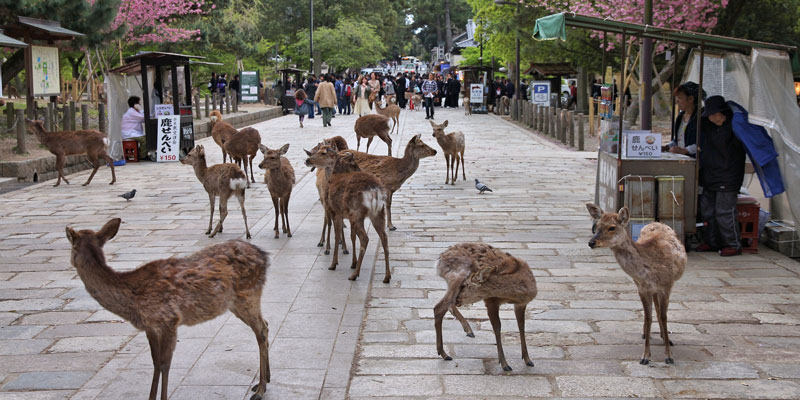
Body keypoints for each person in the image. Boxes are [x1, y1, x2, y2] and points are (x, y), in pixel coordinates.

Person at [697, 95, 746, 257]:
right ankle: (712, 242)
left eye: (713, 114)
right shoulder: (708, 126)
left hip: (728, 176)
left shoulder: (735, 128)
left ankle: (733, 244)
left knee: (724, 211)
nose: (711, 117)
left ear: (721, 112)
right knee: (707, 211)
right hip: (710, 175)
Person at [665, 81, 704, 157]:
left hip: (696, 161)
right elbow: (678, 140)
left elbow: (704, 142)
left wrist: (685, 150)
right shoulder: (680, 117)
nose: (677, 101)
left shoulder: (701, 117)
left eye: (679, 98)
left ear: (690, 99)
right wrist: (667, 147)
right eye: (676, 98)